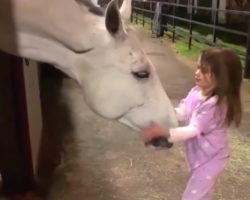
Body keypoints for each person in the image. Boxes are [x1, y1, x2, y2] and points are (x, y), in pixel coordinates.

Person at [140, 47, 243, 200]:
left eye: (204, 70)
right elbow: (184, 110)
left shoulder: (214, 105)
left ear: (221, 77)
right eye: (197, 67)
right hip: (200, 156)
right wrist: (166, 114)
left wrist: (164, 132)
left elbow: (193, 129)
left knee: (192, 196)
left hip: (212, 159)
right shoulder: (196, 91)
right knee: (202, 195)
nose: (197, 72)